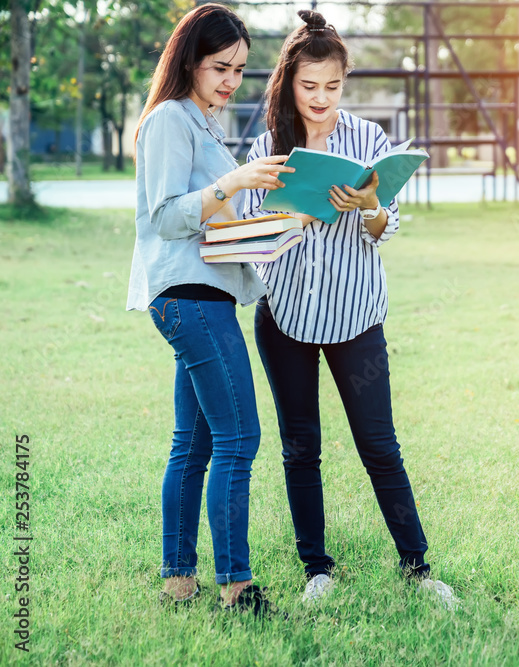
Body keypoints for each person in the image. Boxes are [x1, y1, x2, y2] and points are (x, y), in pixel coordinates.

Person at [246, 10, 455, 608]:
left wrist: (370, 209)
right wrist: (297, 217)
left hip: (355, 314)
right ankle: (318, 569)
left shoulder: (369, 139)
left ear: (345, 82)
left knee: (379, 445)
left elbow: (388, 226)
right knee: (300, 447)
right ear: (290, 82)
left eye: (332, 87)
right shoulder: (268, 148)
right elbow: (254, 237)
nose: (320, 98)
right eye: (309, 86)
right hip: (284, 314)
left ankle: (418, 568)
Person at [125, 3, 294, 616]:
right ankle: (238, 588)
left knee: (192, 446)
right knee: (239, 438)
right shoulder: (171, 118)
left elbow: (210, 226)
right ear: (189, 59)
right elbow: (167, 215)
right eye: (221, 67)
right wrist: (236, 181)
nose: (230, 81)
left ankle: (178, 581)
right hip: (190, 301)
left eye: (241, 70)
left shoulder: (201, 123)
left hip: (203, 295)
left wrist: (278, 226)